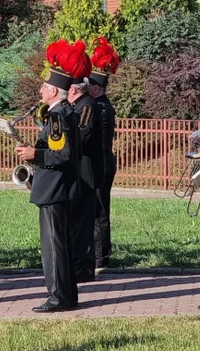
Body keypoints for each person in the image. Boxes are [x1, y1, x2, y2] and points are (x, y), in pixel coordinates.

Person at [14, 39, 85, 312]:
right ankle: (66, 295)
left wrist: (35, 154)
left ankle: (59, 297)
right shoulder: (64, 112)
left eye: (44, 85)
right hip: (60, 189)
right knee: (60, 245)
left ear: (54, 89)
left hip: (54, 189)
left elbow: (62, 155)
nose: (41, 89)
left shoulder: (57, 117)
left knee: (53, 248)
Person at [88, 37, 120, 270]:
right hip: (104, 160)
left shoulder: (99, 107)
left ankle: (101, 257)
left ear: (96, 88)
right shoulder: (102, 105)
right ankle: (100, 254)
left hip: (101, 163)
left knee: (99, 211)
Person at [68, 71, 99, 283]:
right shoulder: (77, 106)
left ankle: (85, 266)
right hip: (78, 172)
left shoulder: (86, 105)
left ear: (73, 90)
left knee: (84, 222)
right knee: (76, 220)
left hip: (86, 172)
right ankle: (77, 261)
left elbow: (82, 134)